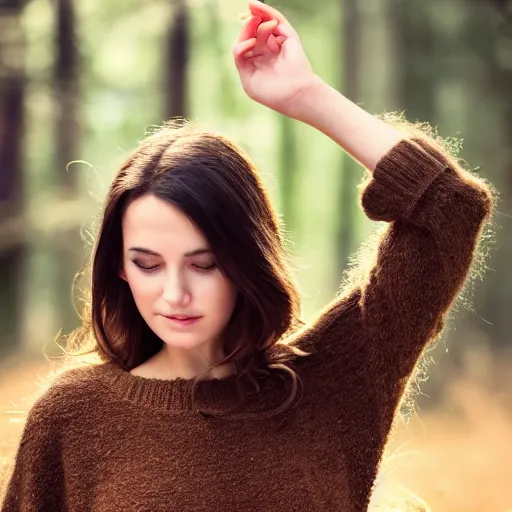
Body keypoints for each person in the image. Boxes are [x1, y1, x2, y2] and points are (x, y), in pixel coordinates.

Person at [1, 1, 495, 511]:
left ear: (247, 262)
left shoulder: (332, 384)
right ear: (119, 270)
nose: (174, 293)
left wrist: (309, 96)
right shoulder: (74, 418)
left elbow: (449, 207)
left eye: (204, 263)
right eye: (147, 264)